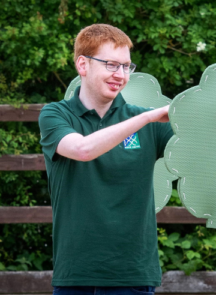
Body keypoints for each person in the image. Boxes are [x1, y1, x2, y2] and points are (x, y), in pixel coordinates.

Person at [39, 24, 173, 295]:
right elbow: (83, 150)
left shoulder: (151, 122)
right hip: (76, 275)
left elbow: (202, 148)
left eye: (126, 66)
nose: (121, 75)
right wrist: (146, 118)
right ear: (83, 65)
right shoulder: (55, 115)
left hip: (132, 275)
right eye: (111, 65)